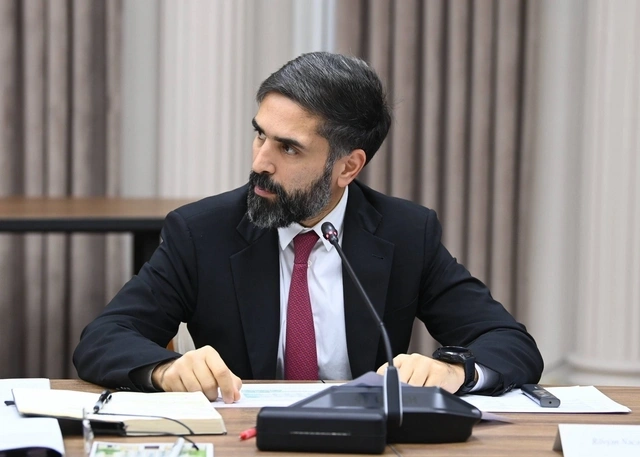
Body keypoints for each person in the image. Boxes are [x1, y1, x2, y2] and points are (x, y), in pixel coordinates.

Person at [73, 52, 543, 403]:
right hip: (244, 441)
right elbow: (104, 337)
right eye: (260, 134)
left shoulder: (405, 233)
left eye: (288, 148)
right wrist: (166, 369)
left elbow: (510, 343)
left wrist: (457, 371)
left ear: (348, 167)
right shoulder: (201, 232)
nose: (260, 163)